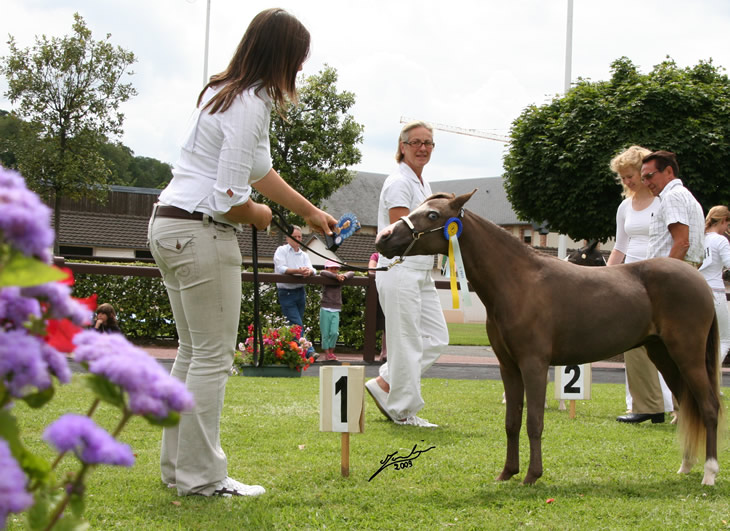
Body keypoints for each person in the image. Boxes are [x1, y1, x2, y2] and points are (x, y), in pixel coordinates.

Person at [147, 8, 336, 498]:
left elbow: (258, 174)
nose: (299, 70)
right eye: (298, 59)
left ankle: (179, 470)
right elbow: (231, 199)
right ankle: (203, 478)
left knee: (192, 355)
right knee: (211, 358)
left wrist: (309, 212)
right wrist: (260, 217)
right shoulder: (251, 103)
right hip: (202, 232)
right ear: (283, 55)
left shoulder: (223, 91)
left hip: (168, 224)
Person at [364, 121, 449, 428]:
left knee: (438, 337)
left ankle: (386, 381)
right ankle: (403, 410)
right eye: (416, 142)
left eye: (428, 143)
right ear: (402, 147)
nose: (423, 148)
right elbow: (400, 232)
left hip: (421, 270)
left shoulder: (422, 184)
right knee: (407, 343)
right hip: (400, 268)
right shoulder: (399, 183)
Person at [606, 146, 674, 424]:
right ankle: (647, 406)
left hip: (658, 278)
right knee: (633, 343)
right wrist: (605, 278)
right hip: (629, 281)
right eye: (622, 177)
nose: (627, 182)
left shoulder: (665, 202)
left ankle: (681, 406)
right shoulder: (625, 207)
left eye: (630, 175)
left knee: (670, 344)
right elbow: (620, 246)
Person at [643, 150, 705, 265]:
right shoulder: (686, 195)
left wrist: (665, 275)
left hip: (671, 273)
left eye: (649, 176)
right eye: (643, 179)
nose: (646, 183)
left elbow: (682, 243)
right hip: (684, 270)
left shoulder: (672, 196)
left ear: (668, 171)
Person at [699, 206, 730, 364]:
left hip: (697, 292)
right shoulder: (721, 240)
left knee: (701, 341)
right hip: (715, 293)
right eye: (727, 224)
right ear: (724, 221)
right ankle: (710, 379)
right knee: (724, 340)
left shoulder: (699, 238)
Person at [273, 225, 317, 327]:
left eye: (299, 237)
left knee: (295, 325)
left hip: (300, 292)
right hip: (286, 292)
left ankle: (295, 343)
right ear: (288, 237)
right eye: (294, 236)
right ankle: (302, 343)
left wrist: (308, 272)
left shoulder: (304, 255)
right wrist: (298, 271)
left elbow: (313, 269)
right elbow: (281, 268)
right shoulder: (281, 250)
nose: (297, 239)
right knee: (296, 324)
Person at [318, 259, 354, 362]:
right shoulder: (326, 275)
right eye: (331, 268)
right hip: (325, 308)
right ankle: (327, 354)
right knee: (325, 333)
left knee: (334, 332)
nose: (334, 270)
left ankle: (331, 352)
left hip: (336, 308)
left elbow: (352, 273)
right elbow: (322, 272)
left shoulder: (340, 278)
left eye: (336, 269)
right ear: (327, 268)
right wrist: (335, 276)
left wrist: (344, 276)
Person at [368, 251, 387, 362]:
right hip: (377, 293)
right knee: (378, 324)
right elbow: (371, 270)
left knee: (388, 325)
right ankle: (381, 352)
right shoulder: (376, 256)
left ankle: (385, 353)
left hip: (391, 293)